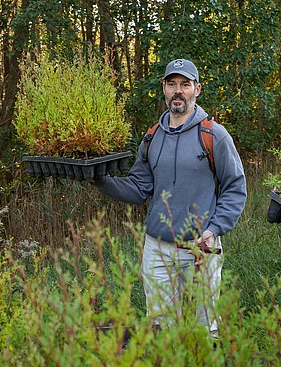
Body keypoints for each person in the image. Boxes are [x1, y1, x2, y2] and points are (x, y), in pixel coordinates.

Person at [92, 58, 247, 333]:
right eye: (172, 84)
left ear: (197, 89)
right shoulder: (152, 137)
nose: (178, 91)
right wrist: (99, 181)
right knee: (161, 326)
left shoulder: (214, 135)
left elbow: (235, 187)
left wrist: (214, 229)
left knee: (205, 326)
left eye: (185, 85)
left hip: (200, 247)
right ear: (163, 88)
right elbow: (139, 188)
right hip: (157, 248)